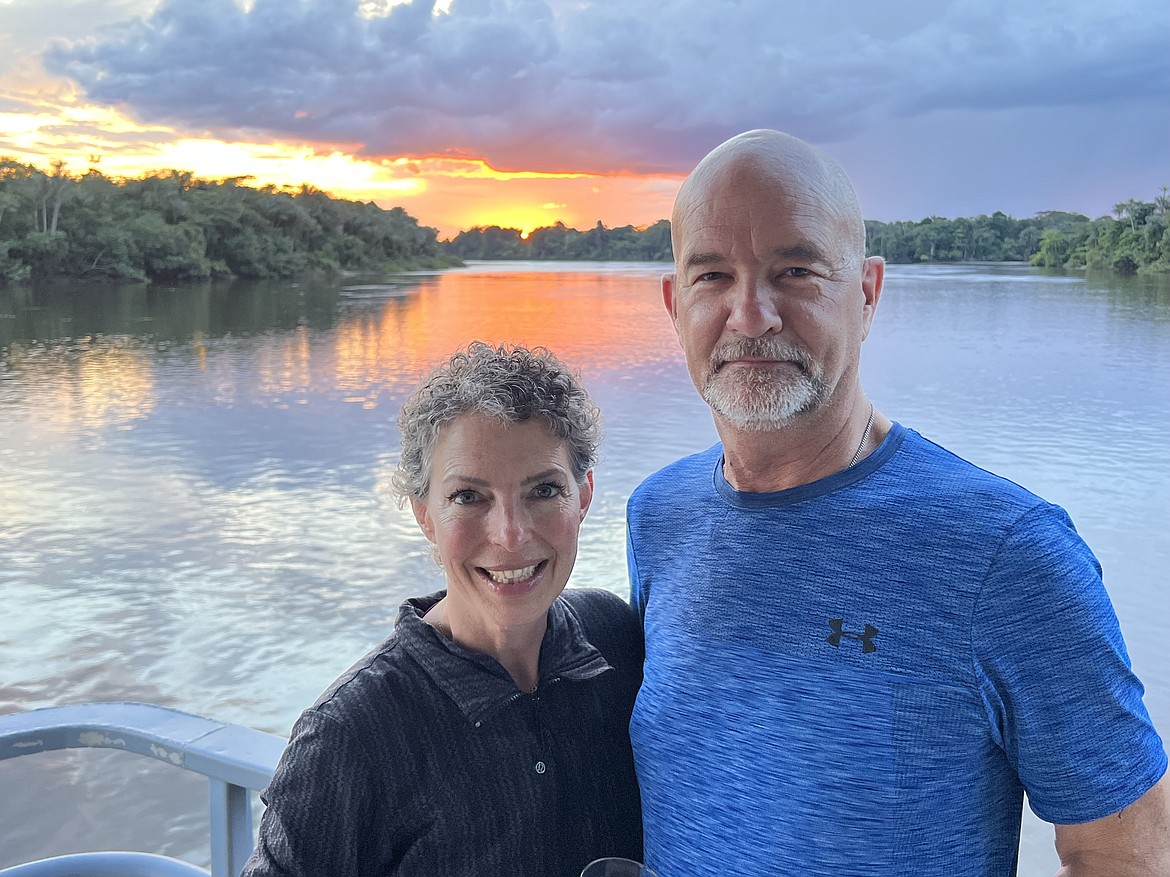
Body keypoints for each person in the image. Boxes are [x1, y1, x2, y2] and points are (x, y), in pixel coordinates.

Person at [625, 129, 1169, 876]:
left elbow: (1126, 852)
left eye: (796, 270)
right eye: (712, 275)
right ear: (673, 302)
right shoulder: (660, 516)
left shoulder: (1009, 554)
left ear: (869, 292)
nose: (750, 314)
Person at [244, 342, 643, 877]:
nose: (510, 535)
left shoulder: (614, 637)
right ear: (424, 514)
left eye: (545, 490)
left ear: (584, 497)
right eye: (468, 497)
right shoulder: (351, 736)